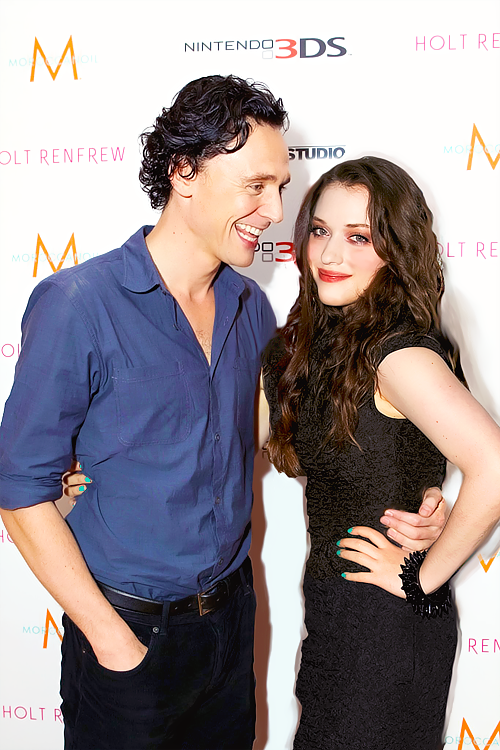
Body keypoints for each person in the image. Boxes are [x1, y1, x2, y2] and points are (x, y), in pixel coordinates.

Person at [0, 77, 445, 750]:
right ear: (184, 172)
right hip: (127, 635)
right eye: (255, 185)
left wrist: (417, 492)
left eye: (280, 187)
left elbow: (295, 440)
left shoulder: (250, 307)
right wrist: (111, 639)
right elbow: (19, 490)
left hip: (231, 627)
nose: (275, 210)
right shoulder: (78, 303)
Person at [262, 156, 500, 750]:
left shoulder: (396, 354)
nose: (329, 254)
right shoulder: (312, 347)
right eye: (320, 231)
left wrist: (423, 576)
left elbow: (494, 466)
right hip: (337, 619)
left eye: (359, 237)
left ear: (395, 250)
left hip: (387, 631)